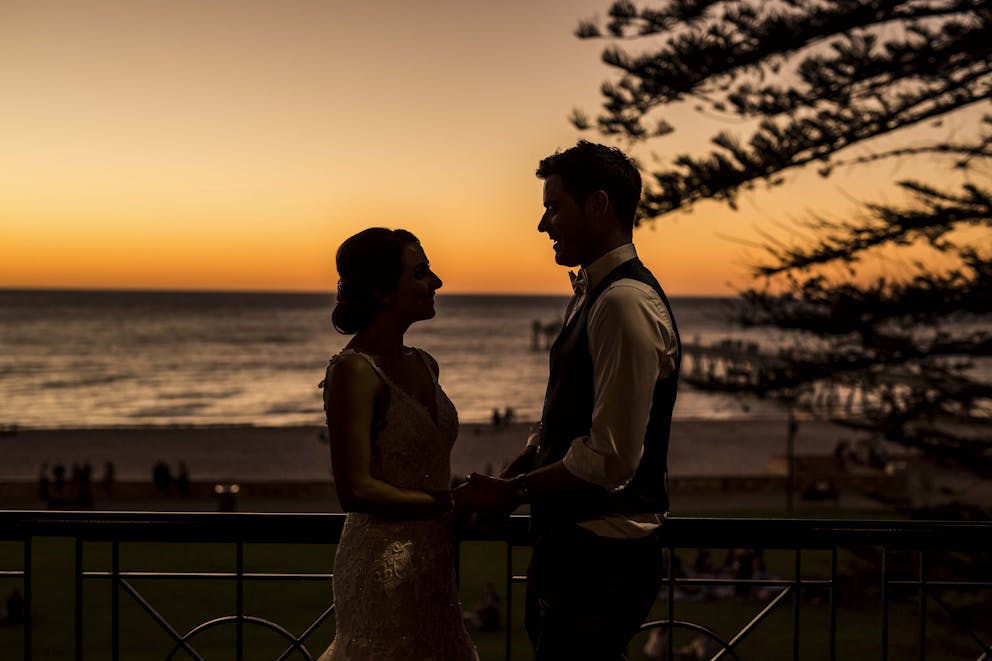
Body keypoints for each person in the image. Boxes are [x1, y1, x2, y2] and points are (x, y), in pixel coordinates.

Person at [464, 141, 681, 659]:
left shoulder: (623, 303)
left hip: (603, 556)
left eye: (553, 206)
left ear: (599, 205)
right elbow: (564, 418)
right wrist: (513, 470)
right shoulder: (594, 294)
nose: (543, 224)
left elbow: (610, 458)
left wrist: (514, 490)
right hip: (578, 549)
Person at [317, 228, 478, 661]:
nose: (437, 282)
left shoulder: (426, 364)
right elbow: (354, 490)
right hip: (378, 564)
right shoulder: (354, 370)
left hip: (435, 565)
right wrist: (444, 503)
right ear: (382, 291)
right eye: (422, 273)